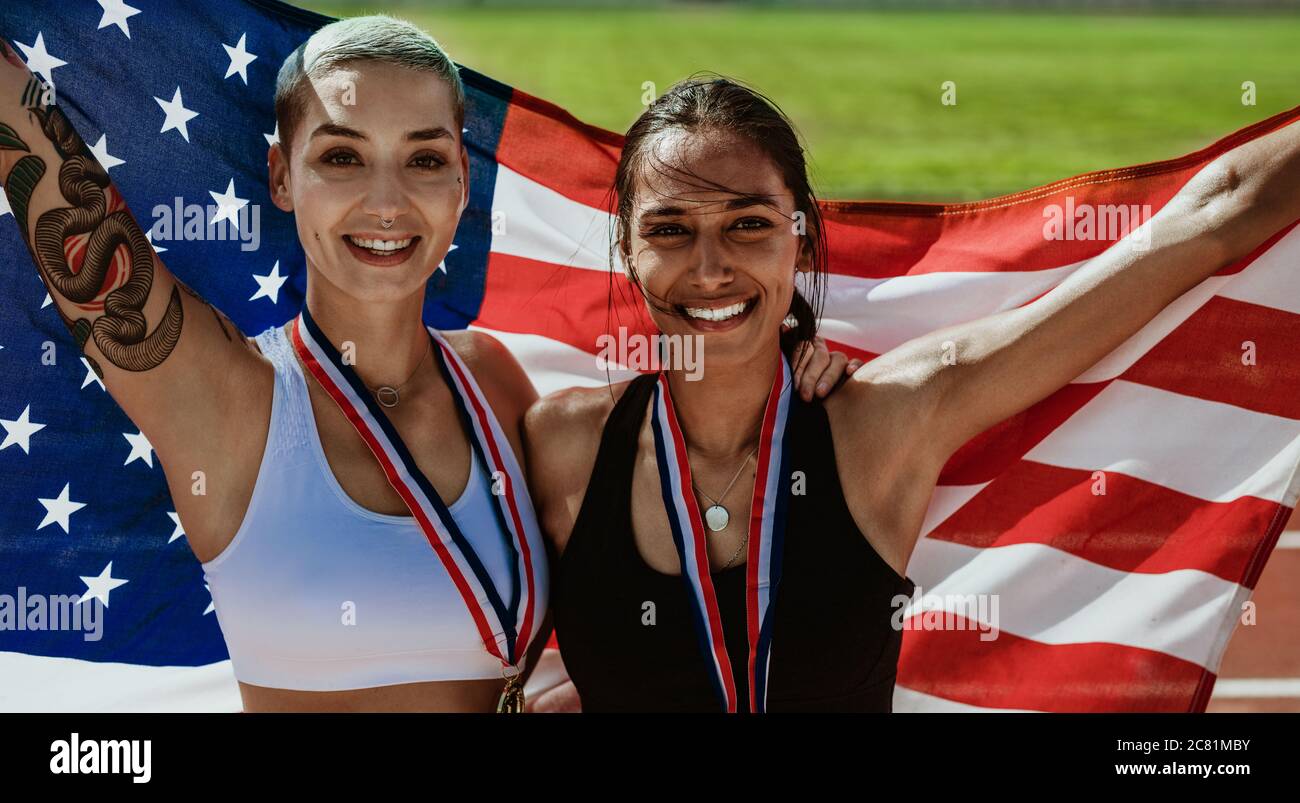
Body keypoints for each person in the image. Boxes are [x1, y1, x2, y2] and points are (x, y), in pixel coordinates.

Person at [0, 16, 845, 712]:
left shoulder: (498, 382)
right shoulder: (226, 399)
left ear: (461, 188)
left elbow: (669, 466)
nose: (386, 201)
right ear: (279, 176)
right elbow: (66, 212)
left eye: (426, 158)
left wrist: (788, 365)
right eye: (341, 156)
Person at [525, 76, 1300, 712]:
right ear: (624, 247)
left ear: (801, 233)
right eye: (668, 230)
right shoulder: (560, 446)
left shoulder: (886, 424)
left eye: (748, 224)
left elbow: (1209, 219)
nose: (710, 267)